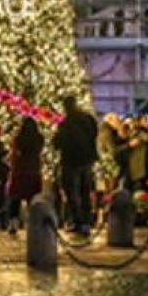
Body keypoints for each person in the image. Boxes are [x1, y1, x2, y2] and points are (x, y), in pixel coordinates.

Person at [53, 95, 99, 235]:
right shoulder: (88, 119)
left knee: (72, 192)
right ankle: (86, 221)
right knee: (85, 190)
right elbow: (94, 134)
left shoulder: (66, 123)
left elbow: (58, 142)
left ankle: (78, 221)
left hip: (71, 162)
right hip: (87, 160)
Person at [5, 117, 44, 235]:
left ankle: (13, 223)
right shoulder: (39, 139)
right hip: (34, 171)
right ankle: (34, 223)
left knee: (15, 200)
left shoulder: (18, 139)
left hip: (20, 172)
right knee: (32, 200)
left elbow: (14, 154)